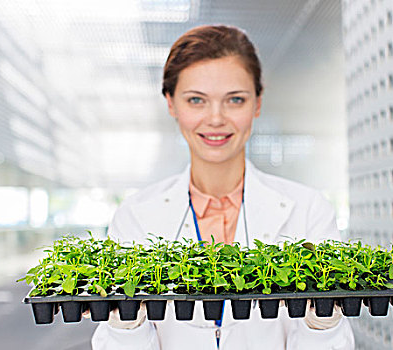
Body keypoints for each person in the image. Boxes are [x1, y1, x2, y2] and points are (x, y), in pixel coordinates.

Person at [91, 25, 355, 350]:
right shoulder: (135, 216)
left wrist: (322, 324)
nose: (215, 119)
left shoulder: (308, 210)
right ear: (171, 103)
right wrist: (126, 326)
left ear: (257, 103)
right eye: (196, 100)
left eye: (235, 99)